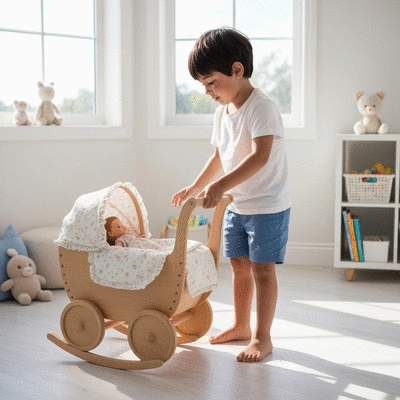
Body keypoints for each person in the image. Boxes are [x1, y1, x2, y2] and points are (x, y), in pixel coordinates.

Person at [171, 27, 290, 363]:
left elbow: (260, 155)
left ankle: (262, 338)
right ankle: (240, 325)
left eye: (211, 82)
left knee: (262, 270)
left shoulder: (261, 107)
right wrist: (196, 186)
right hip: (237, 204)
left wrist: (220, 186)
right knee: (238, 266)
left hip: (267, 205)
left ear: (237, 70)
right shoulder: (222, 111)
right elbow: (219, 156)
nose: (208, 91)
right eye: (203, 85)